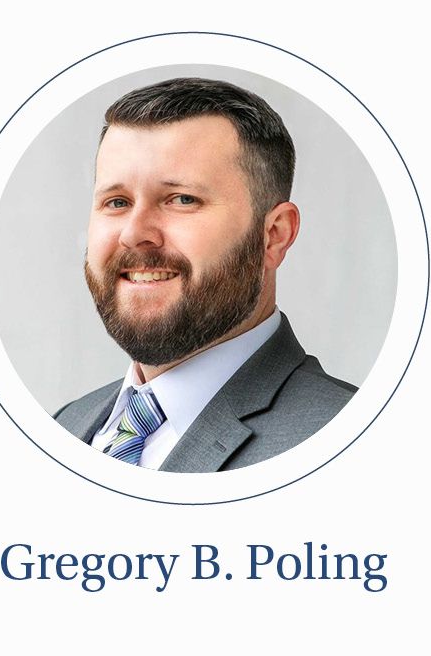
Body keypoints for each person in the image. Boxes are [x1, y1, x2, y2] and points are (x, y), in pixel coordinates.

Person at [53, 77, 355, 472]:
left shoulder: (346, 442)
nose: (134, 233)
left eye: (182, 199)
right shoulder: (64, 425)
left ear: (274, 235)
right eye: (117, 201)